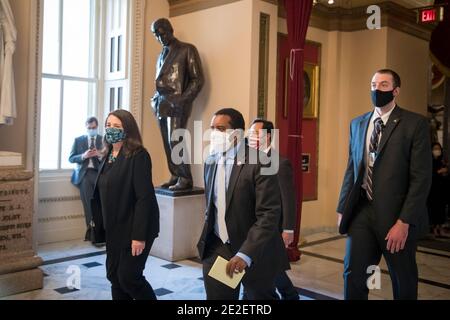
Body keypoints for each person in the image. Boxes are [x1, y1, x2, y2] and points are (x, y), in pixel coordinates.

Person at [337, 69, 432, 300]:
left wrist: (405, 221)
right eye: (373, 84)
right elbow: (352, 168)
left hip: (396, 217)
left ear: (395, 91)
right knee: (353, 273)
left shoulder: (415, 124)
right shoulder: (357, 123)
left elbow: (421, 178)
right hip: (361, 210)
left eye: (383, 85)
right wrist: (342, 207)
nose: (376, 89)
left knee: (403, 277)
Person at [197, 108, 289, 300]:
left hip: (255, 251)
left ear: (237, 133)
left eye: (221, 129)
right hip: (220, 246)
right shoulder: (211, 161)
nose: (214, 133)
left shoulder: (260, 162)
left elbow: (268, 214)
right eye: (212, 128)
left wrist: (246, 254)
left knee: (259, 299)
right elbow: (212, 207)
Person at [91, 109, 160, 300]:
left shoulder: (138, 155)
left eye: (117, 126)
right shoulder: (107, 155)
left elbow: (144, 198)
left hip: (134, 229)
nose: (110, 129)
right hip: (114, 228)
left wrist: (139, 236)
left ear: (127, 129)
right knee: (114, 276)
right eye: (108, 125)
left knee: (128, 277)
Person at [150, 18, 204, 191]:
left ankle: (185, 177)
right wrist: (154, 100)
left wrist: (182, 100)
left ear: (170, 29)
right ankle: (174, 174)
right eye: (156, 35)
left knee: (176, 139)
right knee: (167, 143)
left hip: (178, 104)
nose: (160, 38)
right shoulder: (160, 55)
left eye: (161, 33)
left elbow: (197, 80)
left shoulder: (187, 49)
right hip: (161, 104)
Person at [248, 118, 299, 300]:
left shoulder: (280, 162)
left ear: (267, 137)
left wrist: (288, 229)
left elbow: (288, 198)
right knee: (266, 267)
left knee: (270, 267)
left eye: (255, 133)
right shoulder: (248, 160)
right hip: (252, 224)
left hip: (272, 226)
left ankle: (289, 295)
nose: (251, 137)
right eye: (250, 133)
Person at [69, 117, 103, 241]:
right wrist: (84, 156)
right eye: (89, 128)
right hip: (84, 175)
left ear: (97, 127)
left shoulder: (103, 140)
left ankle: (102, 234)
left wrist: (99, 154)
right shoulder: (78, 140)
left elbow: (110, 158)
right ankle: (93, 235)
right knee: (89, 205)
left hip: (100, 175)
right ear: (86, 128)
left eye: (94, 128)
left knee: (101, 205)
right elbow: (71, 158)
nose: (91, 130)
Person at [427, 142, 449, 237]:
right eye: (435, 149)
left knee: (441, 209)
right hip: (433, 190)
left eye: (438, 149)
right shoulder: (429, 161)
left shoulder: (442, 161)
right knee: (434, 209)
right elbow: (430, 174)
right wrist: (439, 172)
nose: (437, 151)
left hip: (441, 191)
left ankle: (439, 227)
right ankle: (434, 228)